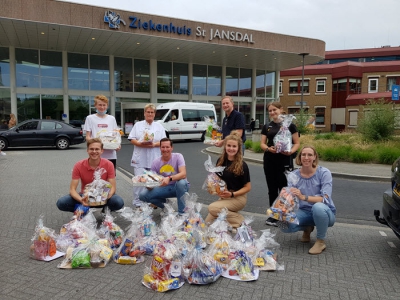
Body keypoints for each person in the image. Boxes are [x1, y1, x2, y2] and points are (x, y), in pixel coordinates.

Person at [280, 145, 336, 255]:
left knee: (318, 207)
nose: (306, 157)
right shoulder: (293, 175)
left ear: (315, 157)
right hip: (304, 211)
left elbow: (325, 199)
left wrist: (303, 197)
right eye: (303, 155)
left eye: (310, 155)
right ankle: (308, 227)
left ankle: (320, 241)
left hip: (325, 213)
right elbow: (291, 199)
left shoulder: (324, 173)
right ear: (300, 157)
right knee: (283, 224)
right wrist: (282, 203)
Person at [56, 138, 124, 212]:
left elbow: (113, 187)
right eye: (91, 149)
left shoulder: (109, 164)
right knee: (61, 202)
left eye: (97, 149)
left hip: (103, 196)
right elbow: (72, 189)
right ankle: (83, 211)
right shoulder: (79, 165)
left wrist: (104, 198)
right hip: (85, 196)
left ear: (102, 151)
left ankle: (106, 210)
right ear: (87, 150)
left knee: (118, 202)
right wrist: (81, 200)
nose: (94, 151)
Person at [261, 101, 300, 227]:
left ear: (281, 109)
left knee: (284, 189)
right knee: (272, 189)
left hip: (285, 161)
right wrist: (268, 149)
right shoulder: (267, 126)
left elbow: (297, 143)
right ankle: (274, 215)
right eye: (270, 111)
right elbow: (262, 143)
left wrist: (291, 152)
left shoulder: (290, 125)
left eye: (274, 110)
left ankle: (284, 214)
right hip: (270, 161)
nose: (272, 112)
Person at [205, 131, 251, 231]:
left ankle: (239, 221)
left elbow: (248, 187)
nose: (231, 148)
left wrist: (232, 194)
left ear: (238, 148)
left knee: (212, 208)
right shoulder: (220, 161)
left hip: (237, 197)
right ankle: (231, 220)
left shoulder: (242, 165)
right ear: (225, 146)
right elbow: (216, 180)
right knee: (206, 225)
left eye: (234, 146)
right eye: (229, 145)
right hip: (224, 197)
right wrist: (212, 187)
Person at [128, 104, 166, 207]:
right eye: (148, 112)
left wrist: (154, 144)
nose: (150, 114)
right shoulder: (138, 125)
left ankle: (151, 201)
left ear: (154, 114)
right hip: (140, 158)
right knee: (139, 181)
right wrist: (140, 144)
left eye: (152, 112)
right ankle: (137, 202)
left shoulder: (159, 126)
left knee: (152, 181)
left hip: (154, 157)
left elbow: (163, 141)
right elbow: (131, 138)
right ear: (144, 113)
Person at [139, 138, 189, 214]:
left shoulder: (178, 156)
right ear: (160, 148)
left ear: (172, 148)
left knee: (181, 183)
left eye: (167, 147)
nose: (165, 149)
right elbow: (152, 183)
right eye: (163, 147)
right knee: (143, 195)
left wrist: (169, 178)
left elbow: (183, 174)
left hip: (179, 186)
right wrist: (147, 184)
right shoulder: (155, 162)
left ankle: (182, 214)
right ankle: (167, 206)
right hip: (164, 188)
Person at [84, 95, 120, 171]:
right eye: (100, 105)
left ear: (107, 106)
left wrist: (118, 145)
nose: (102, 107)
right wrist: (95, 146)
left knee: (110, 178)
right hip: (96, 154)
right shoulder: (90, 118)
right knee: (95, 178)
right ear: (95, 105)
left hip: (111, 154)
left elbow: (116, 135)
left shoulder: (111, 118)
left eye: (104, 105)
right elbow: (88, 137)